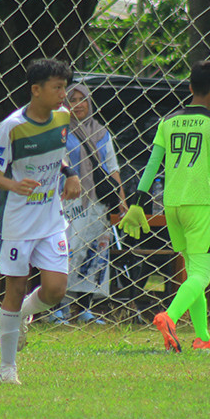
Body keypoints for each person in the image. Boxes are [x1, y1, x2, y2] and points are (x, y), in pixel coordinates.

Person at [118, 60, 210, 351]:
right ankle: (170, 317)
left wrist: (138, 202)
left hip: (171, 205)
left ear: (189, 87)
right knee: (201, 275)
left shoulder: (168, 121)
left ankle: (203, 338)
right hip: (198, 204)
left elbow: (152, 164)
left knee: (192, 271)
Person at [0, 58, 82, 385]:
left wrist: (71, 173)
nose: (63, 94)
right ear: (36, 90)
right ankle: (7, 368)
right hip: (17, 222)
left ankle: (23, 314)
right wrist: (12, 184)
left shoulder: (62, 117)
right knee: (15, 287)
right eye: (57, 88)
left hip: (50, 218)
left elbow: (57, 153)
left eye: (65, 87)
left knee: (56, 290)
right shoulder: (12, 127)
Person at [54, 82, 127, 324]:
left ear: (90, 102)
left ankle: (85, 308)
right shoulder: (60, 131)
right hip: (69, 201)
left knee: (94, 252)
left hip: (97, 203)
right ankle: (59, 307)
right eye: (72, 100)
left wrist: (121, 200)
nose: (78, 105)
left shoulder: (102, 132)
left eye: (82, 100)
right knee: (67, 250)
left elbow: (112, 168)